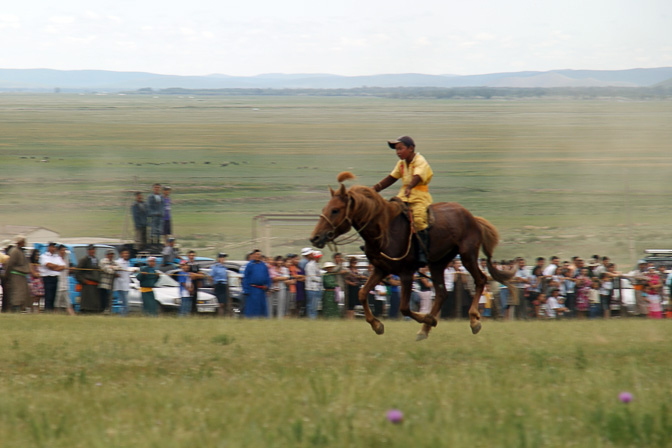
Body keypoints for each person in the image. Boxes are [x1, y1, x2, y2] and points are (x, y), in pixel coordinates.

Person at [372, 136, 433, 266]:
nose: (398, 152)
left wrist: (410, 186)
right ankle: (376, 245)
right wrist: (375, 189)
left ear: (411, 148)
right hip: (403, 195)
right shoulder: (401, 164)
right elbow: (391, 178)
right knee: (387, 213)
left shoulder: (419, 160)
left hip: (419, 196)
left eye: (401, 148)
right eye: (396, 149)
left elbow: (417, 176)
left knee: (418, 220)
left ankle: (423, 252)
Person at [4, 235, 31, 312]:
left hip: (21, 276)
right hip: (16, 276)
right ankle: (15, 310)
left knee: (22, 294)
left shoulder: (20, 251)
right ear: (20, 242)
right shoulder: (15, 251)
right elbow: (9, 265)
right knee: (17, 294)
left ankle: (20, 309)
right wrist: (7, 276)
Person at [242, 249, 271, 318]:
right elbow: (246, 277)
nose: (258, 256)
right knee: (252, 307)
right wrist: (246, 290)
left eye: (259, 254)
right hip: (252, 289)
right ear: (254, 255)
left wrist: (267, 286)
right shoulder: (250, 265)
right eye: (257, 254)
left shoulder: (263, 265)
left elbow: (267, 276)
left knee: (262, 307)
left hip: (261, 290)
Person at [76, 244, 102, 313]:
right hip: (87, 284)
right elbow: (77, 271)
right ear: (88, 251)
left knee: (94, 301)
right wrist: (83, 280)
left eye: (93, 249)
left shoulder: (96, 260)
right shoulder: (84, 260)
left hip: (95, 284)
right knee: (87, 302)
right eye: (90, 250)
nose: (92, 251)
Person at [40, 242, 64, 312]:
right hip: (47, 278)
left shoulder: (57, 257)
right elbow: (48, 265)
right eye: (52, 247)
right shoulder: (44, 256)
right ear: (48, 247)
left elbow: (63, 266)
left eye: (54, 247)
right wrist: (56, 266)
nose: (53, 248)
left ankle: (51, 311)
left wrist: (54, 268)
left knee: (53, 296)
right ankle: (47, 311)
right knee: (48, 296)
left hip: (55, 278)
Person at [55, 245, 75, 315]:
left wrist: (70, 270)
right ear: (59, 251)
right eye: (62, 250)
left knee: (68, 302)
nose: (63, 252)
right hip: (58, 284)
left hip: (65, 284)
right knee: (57, 303)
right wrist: (61, 268)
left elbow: (66, 272)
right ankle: (54, 315)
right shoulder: (56, 260)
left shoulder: (66, 261)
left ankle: (73, 315)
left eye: (64, 250)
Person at [113, 249, 134, 316]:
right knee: (123, 302)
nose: (126, 255)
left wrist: (133, 271)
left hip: (126, 285)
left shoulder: (128, 262)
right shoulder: (117, 262)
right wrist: (116, 275)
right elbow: (115, 271)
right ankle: (122, 315)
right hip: (120, 285)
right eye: (124, 253)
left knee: (125, 302)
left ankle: (124, 314)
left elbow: (127, 272)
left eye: (127, 253)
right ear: (121, 254)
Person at [209, 253, 229, 317]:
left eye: (224, 258)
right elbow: (210, 276)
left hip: (224, 285)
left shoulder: (224, 267)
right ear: (219, 259)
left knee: (224, 303)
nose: (223, 259)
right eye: (222, 257)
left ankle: (223, 315)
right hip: (218, 284)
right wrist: (213, 285)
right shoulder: (215, 267)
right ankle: (219, 315)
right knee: (220, 303)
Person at [304, 250, 322, 319]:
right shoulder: (310, 265)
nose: (319, 259)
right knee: (311, 305)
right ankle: (311, 318)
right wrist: (320, 279)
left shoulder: (317, 265)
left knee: (315, 305)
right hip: (311, 288)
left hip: (317, 287)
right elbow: (311, 276)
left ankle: (314, 317)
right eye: (317, 257)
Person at [28, 249, 44, 313]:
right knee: (33, 297)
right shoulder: (30, 263)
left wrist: (40, 274)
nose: (37, 256)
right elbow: (33, 273)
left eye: (38, 255)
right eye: (36, 254)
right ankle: (31, 310)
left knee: (39, 297)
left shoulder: (39, 264)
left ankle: (38, 311)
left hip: (40, 282)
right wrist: (40, 274)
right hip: (33, 282)